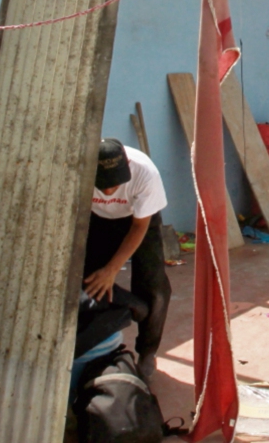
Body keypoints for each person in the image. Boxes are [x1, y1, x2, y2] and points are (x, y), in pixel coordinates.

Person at [84, 138, 171, 379]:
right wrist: (105, 271)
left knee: (154, 284)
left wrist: (113, 268)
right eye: (103, 185)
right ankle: (128, 314)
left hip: (138, 221)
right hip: (97, 220)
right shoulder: (78, 168)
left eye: (115, 185)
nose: (109, 192)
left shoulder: (145, 173)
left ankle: (147, 353)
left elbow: (139, 227)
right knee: (91, 280)